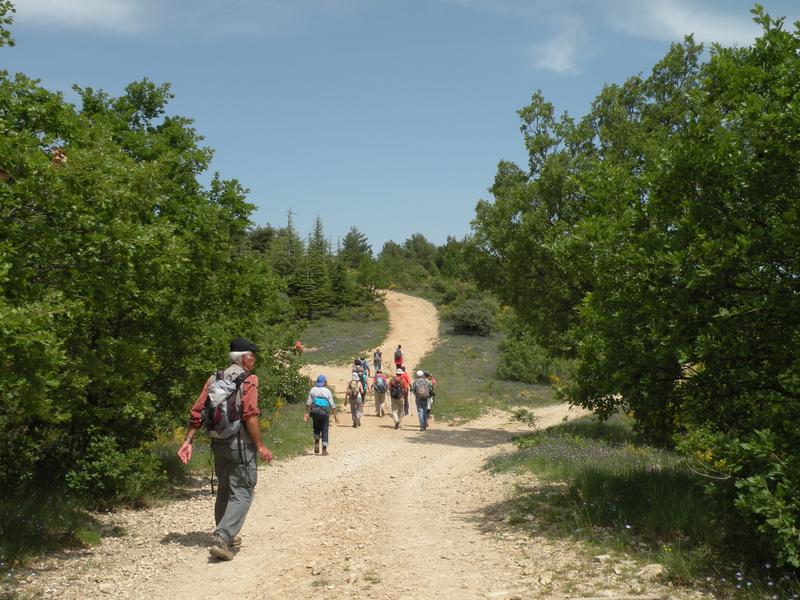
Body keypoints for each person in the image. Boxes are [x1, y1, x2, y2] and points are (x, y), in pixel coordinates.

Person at [177, 337, 273, 562]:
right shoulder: (249, 379)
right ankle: (223, 536)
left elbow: (198, 411)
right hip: (240, 445)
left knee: (225, 488)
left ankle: (225, 532)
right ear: (245, 358)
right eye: (253, 357)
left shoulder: (214, 378)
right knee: (243, 491)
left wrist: (188, 441)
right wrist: (260, 445)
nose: (254, 361)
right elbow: (250, 414)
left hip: (218, 443)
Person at [304, 375, 338, 455]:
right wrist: (336, 416)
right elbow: (332, 405)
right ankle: (324, 449)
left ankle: (316, 442)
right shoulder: (327, 391)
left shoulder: (313, 390)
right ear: (325, 382)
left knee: (316, 427)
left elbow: (308, 403)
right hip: (324, 413)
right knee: (324, 429)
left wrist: (306, 414)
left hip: (314, 412)